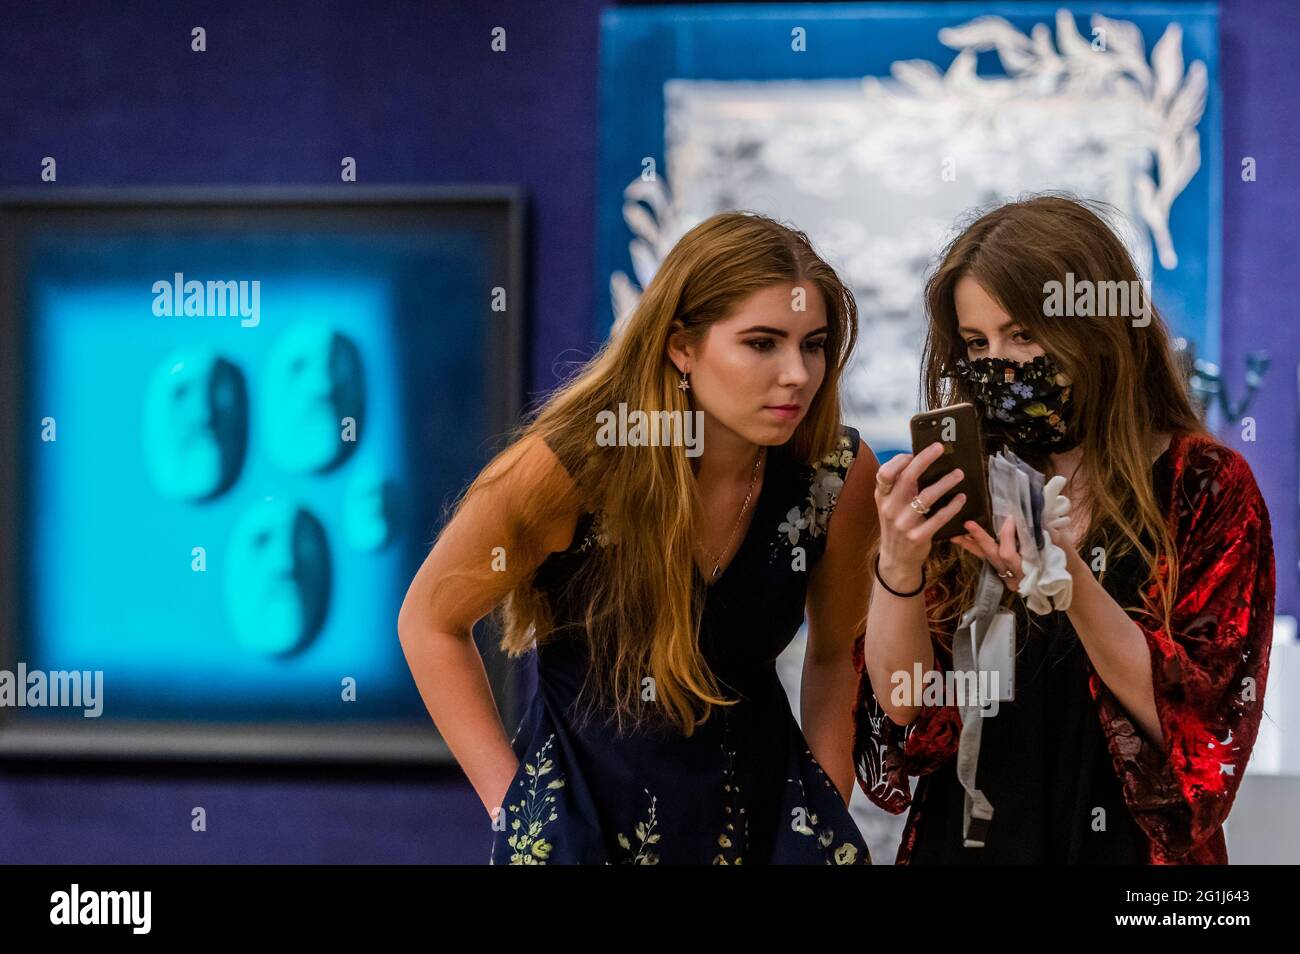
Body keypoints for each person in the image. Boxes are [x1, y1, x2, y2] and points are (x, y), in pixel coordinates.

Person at [399, 211, 878, 864]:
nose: (797, 373)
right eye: (763, 343)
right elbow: (429, 623)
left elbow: (834, 658)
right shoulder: (571, 466)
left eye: (814, 344)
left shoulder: (836, 477)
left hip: (761, 825)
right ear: (681, 345)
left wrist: (823, 807)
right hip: (586, 828)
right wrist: (517, 813)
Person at [854, 195, 1275, 864]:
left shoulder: (1206, 485)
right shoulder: (964, 479)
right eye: (977, 343)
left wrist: (1072, 582)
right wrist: (898, 567)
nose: (1003, 363)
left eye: (1024, 335)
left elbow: (1203, 732)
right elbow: (901, 722)